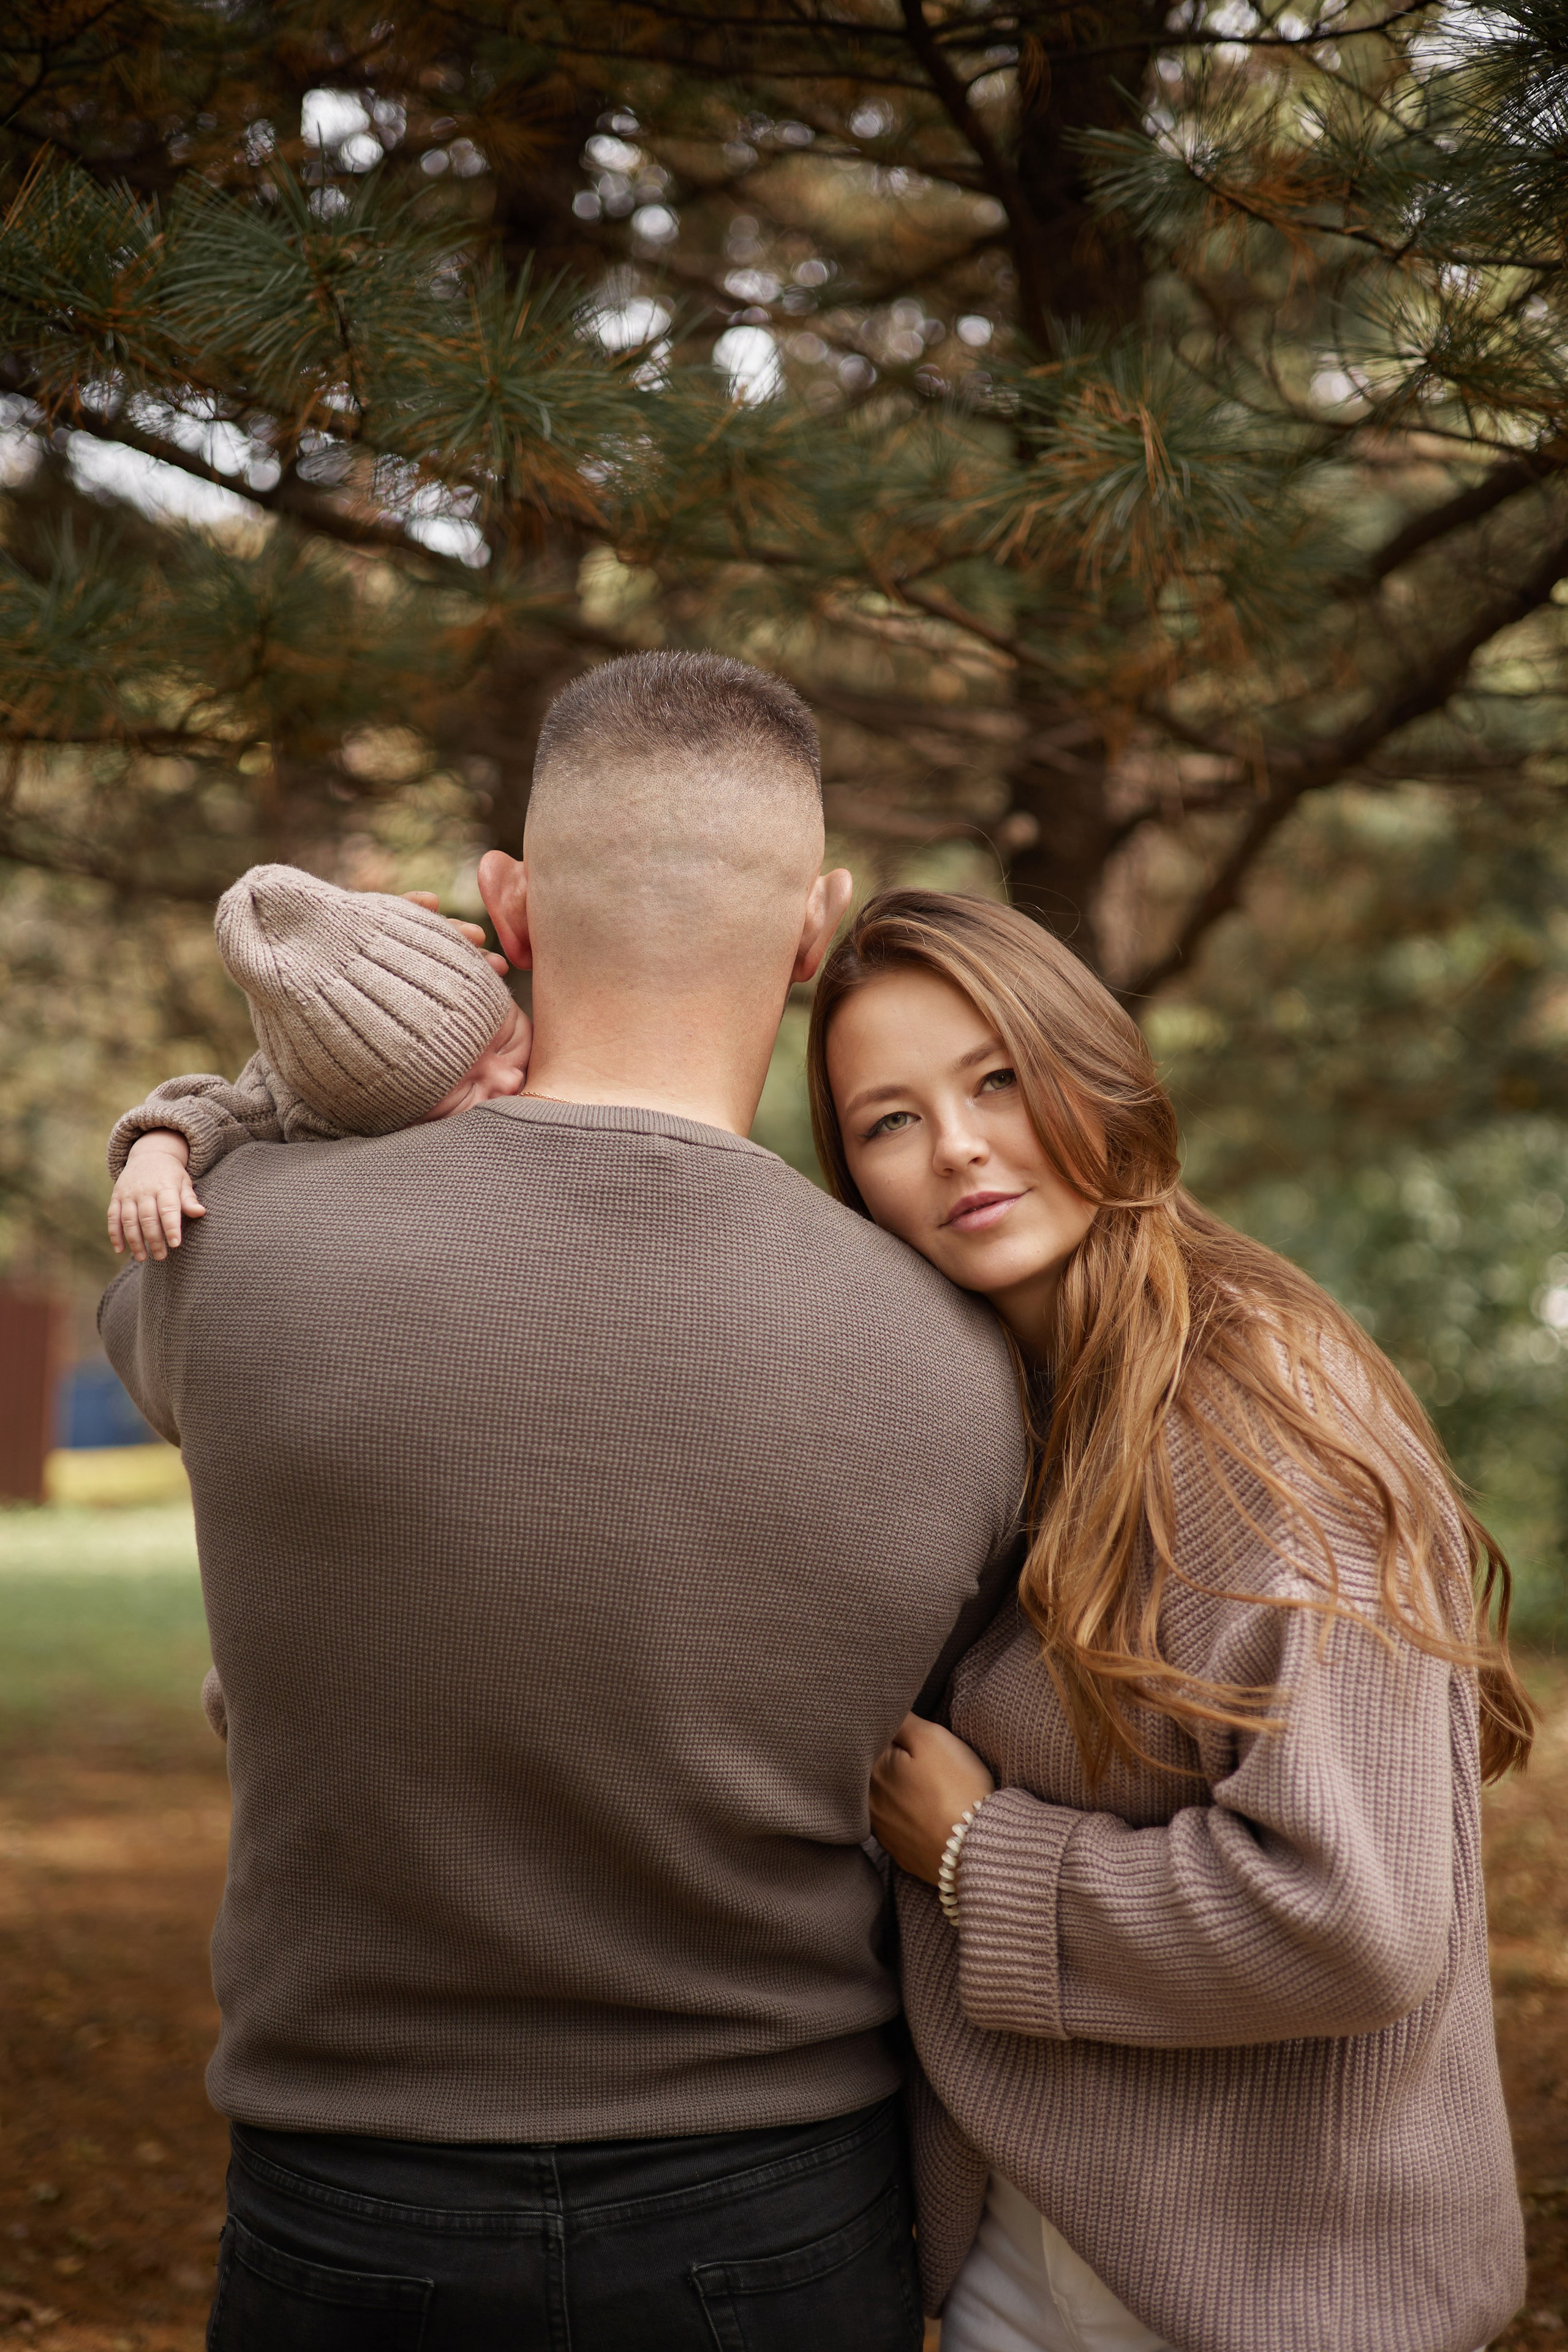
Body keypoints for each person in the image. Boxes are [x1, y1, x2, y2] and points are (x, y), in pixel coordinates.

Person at [99, 655, 1028, 2352]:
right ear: (815, 931)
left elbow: (185, 1213)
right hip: (776, 2211)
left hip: (348, 2197)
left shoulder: (236, 1260)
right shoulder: (968, 1370)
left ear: (503, 907)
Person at [805, 888, 1531, 2352]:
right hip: (1045, 2244)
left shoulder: (1260, 1410)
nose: (955, 1145)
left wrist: (973, 1853)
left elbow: (1351, 1921)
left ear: (1095, 1076)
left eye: (996, 1078)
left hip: (1269, 2295)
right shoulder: (999, 1409)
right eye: (888, 1121)